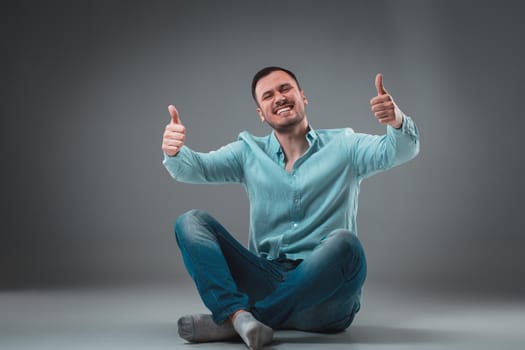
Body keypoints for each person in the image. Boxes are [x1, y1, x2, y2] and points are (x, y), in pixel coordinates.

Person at [161, 66, 420, 349]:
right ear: (261, 112)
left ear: (303, 97)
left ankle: (236, 321)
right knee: (190, 222)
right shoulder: (248, 151)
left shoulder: (346, 145)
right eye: (268, 95)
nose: (279, 98)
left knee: (346, 244)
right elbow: (195, 169)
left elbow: (400, 150)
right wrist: (174, 152)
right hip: (266, 279)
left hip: (325, 298)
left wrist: (396, 121)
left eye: (285, 89)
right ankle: (239, 315)